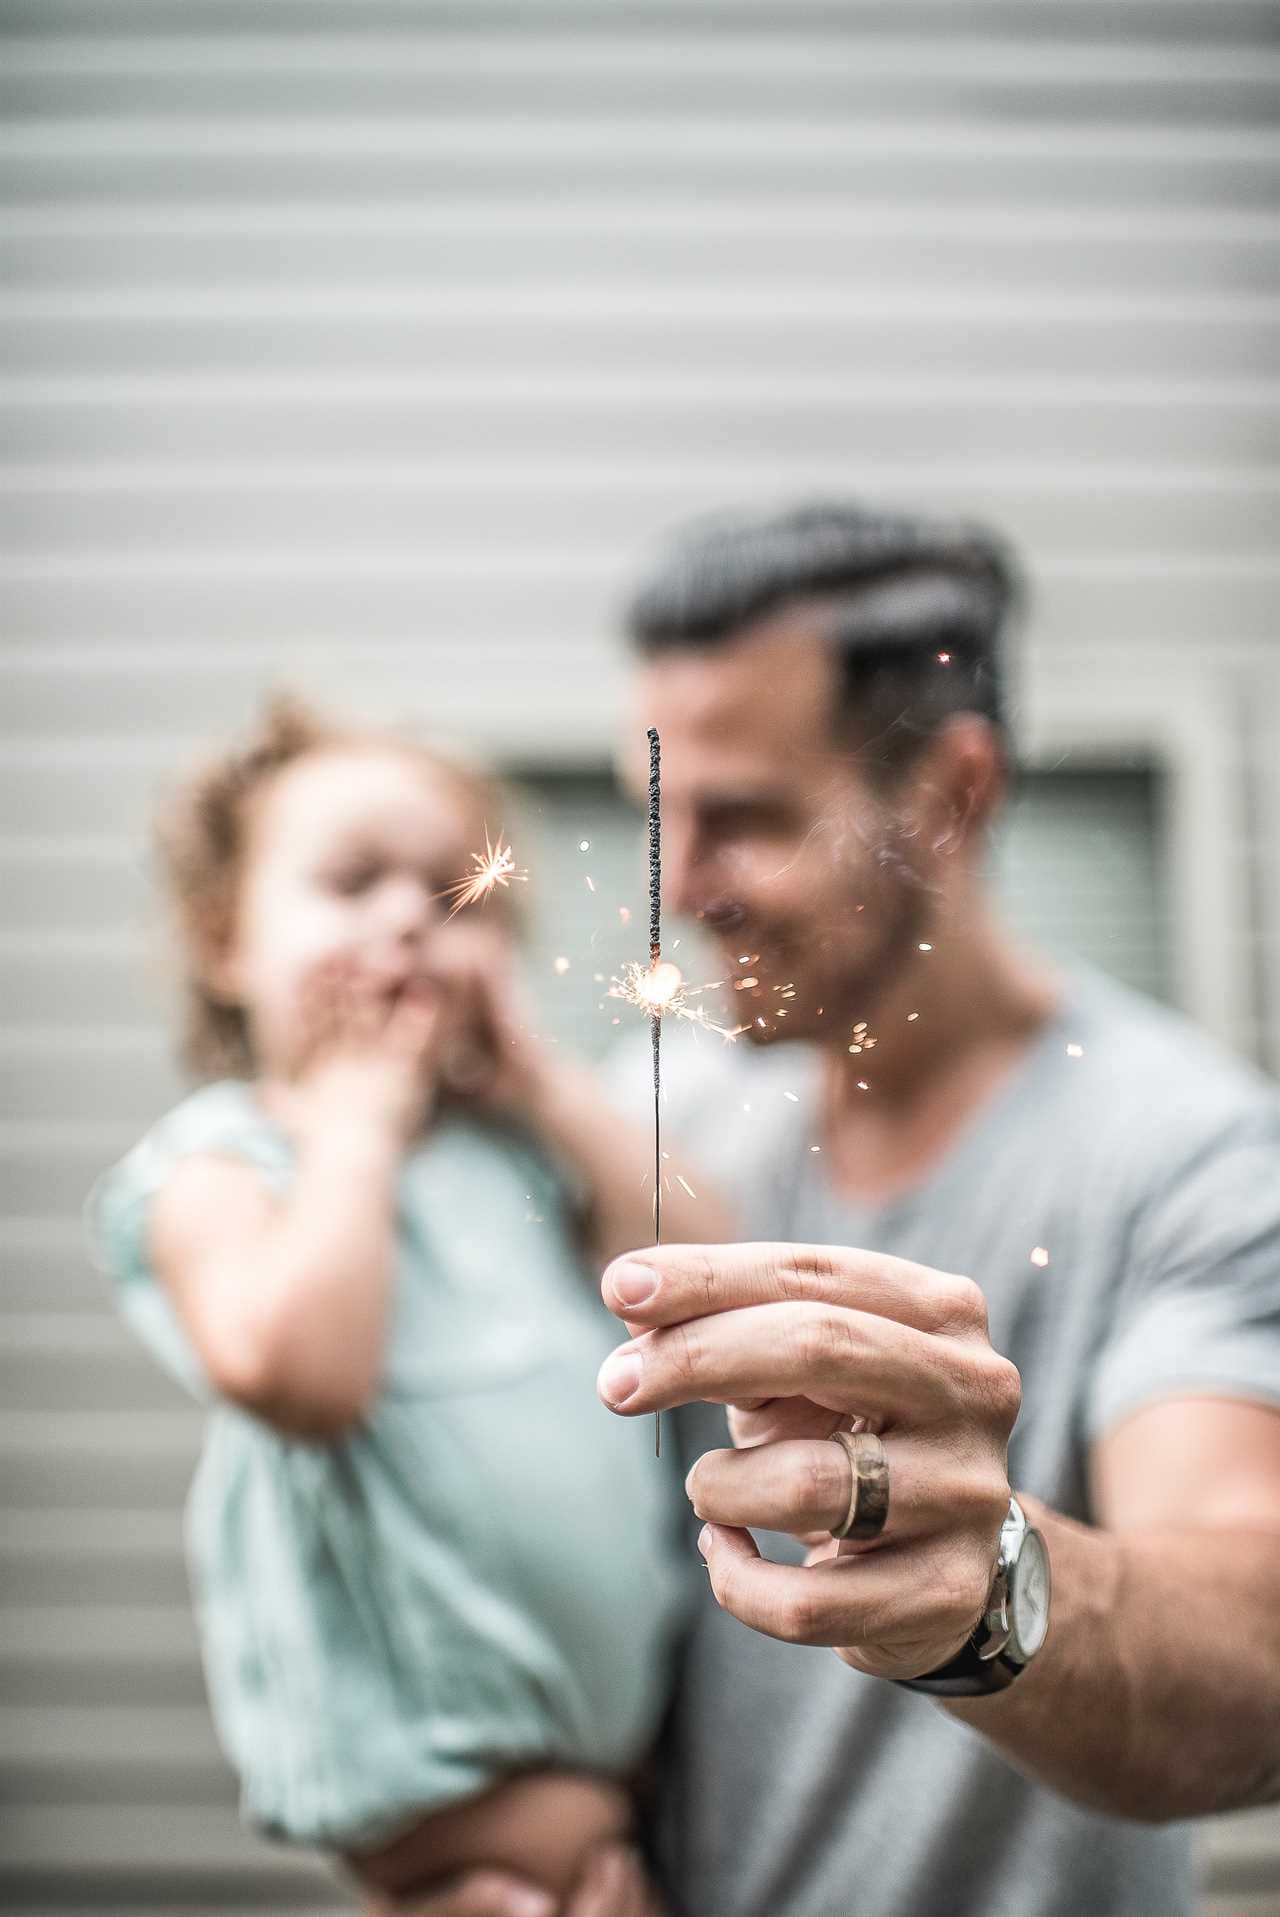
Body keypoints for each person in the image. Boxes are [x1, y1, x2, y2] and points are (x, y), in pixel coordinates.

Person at [424, 502, 1280, 1916]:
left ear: (948, 796)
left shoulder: (1190, 1157)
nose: (681, 891)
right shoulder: (663, 1119)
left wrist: (988, 1583)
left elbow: (1256, 1650)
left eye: (745, 818)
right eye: (662, 817)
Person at [85, 695, 715, 1911]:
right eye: (351, 882)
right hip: (448, 1810)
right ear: (225, 942)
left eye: (450, 893)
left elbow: (709, 1263)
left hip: (627, 1772)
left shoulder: (514, 1152)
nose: (405, 923)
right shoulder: (221, 1163)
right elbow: (299, 1375)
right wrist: (358, 1125)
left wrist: (539, 1083)